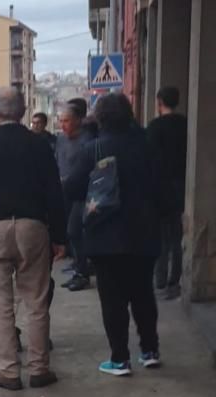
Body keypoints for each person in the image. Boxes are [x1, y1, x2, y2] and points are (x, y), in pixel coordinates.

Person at [0, 87, 67, 390]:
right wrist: (59, 236)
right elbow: (54, 192)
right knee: (36, 301)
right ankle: (39, 369)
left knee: (1, 305)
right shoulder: (39, 145)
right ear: (23, 112)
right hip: (33, 227)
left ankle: (8, 371)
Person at [64, 93, 164, 376]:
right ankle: (150, 350)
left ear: (101, 118)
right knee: (144, 293)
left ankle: (120, 359)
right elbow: (162, 189)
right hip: (145, 233)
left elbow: (72, 189)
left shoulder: (94, 150)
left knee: (113, 300)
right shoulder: (148, 146)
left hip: (105, 235)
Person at [148, 86, 188, 300]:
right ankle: (175, 279)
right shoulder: (185, 124)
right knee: (177, 236)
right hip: (181, 185)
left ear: (159, 101)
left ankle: (161, 279)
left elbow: (148, 159)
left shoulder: (155, 127)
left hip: (160, 187)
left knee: (162, 236)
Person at [56, 103, 96, 291]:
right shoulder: (61, 140)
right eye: (61, 121)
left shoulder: (87, 142)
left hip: (84, 193)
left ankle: (83, 272)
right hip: (65, 192)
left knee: (76, 230)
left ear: (78, 121)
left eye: (67, 121)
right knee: (71, 231)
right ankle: (79, 266)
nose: (63, 125)